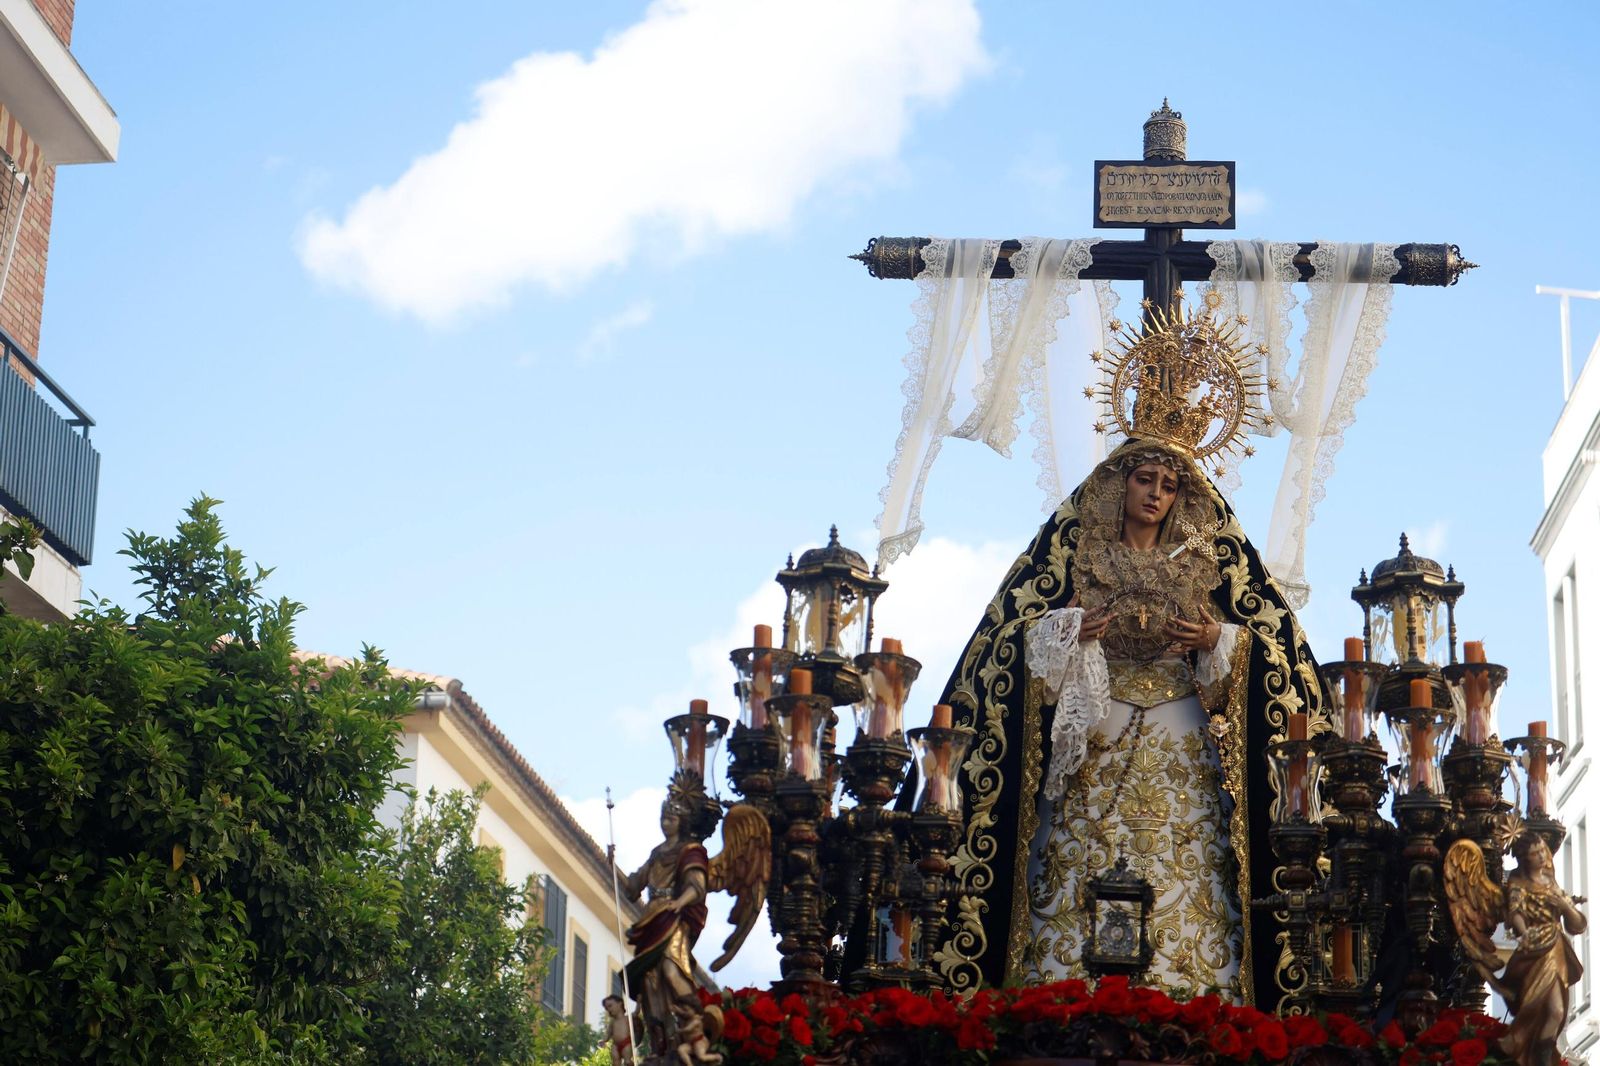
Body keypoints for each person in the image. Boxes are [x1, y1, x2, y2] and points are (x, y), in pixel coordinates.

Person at [930, 298, 1324, 1009]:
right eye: (1146, 479)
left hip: (1183, 737)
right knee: (1073, 865)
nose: (1157, 494)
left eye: (1171, 485)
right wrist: (1066, 634)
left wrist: (1216, 642)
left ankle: (1204, 999)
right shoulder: (1072, 560)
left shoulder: (1209, 560)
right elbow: (1003, 653)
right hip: (1098, 733)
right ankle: (1058, 997)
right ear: (1119, 484)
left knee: (1194, 877)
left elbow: (1283, 668)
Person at [1500, 834, 1586, 1066]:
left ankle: (1540, 1056)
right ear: (1523, 859)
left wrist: (1565, 907)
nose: (1541, 856)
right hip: (1536, 950)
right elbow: (1515, 910)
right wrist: (1524, 932)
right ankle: (1526, 1049)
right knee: (1542, 1006)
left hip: (1556, 947)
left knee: (1557, 1013)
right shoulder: (1518, 881)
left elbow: (1576, 924)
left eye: (1542, 850)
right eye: (1534, 854)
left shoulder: (1550, 879)